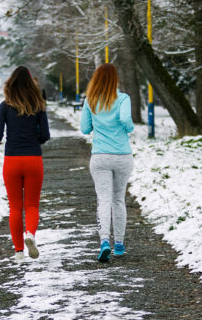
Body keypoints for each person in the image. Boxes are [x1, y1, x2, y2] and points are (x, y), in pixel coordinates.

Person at [0, 66, 50, 260]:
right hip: (33, 159)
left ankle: (18, 252)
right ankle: (30, 235)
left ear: (11, 84)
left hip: (12, 161)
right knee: (32, 205)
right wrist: (35, 141)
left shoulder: (5, 106)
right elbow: (45, 135)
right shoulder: (39, 105)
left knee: (15, 207)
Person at [80, 63, 134, 263]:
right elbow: (126, 120)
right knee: (118, 200)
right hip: (122, 157)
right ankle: (119, 244)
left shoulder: (91, 101)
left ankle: (104, 242)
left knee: (103, 199)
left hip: (100, 157)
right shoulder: (123, 99)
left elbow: (85, 128)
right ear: (115, 79)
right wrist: (128, 127)